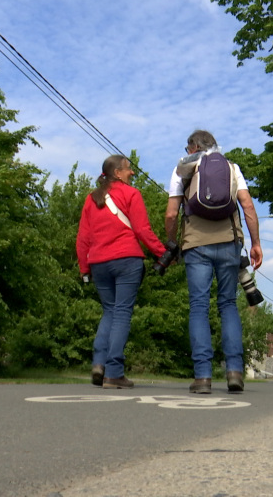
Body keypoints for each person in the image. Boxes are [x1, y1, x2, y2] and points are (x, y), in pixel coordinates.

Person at [164, 130, 263, 394]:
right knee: (228, 304)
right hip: (230, 242)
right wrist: (255, 243)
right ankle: (234, 373)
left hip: (196, 245)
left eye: (188, 148)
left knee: (199, 307)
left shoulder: (182, 169)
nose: (187, 153)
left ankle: (203, 377)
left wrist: (172, 243)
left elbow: (172, 213)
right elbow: (248, 207)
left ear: (194, 147)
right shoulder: (232, 168)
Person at [77, 155, 166, 389]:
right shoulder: (131, 194)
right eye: (129, 169)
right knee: (122, 313)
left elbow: (83, 238)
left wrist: (84, 268)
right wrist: (162, 253)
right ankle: (114, 372)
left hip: (99, 263)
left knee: (110, 311)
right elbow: (142, 230)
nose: (132, 173)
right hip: (126, 260)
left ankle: (99, 363)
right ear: (117, 173)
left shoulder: (91, 199)